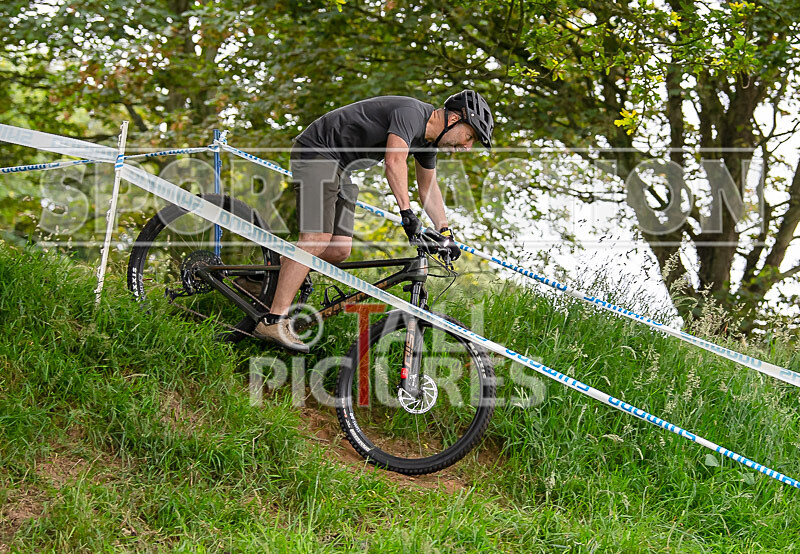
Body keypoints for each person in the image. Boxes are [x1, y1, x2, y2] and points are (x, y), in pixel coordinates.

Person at [246, 90, 494, 352]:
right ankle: (274, 320)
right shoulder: (411, 113)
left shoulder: (428, 143)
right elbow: (394, 160)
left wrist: (445, 232)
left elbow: (429, 188)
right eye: (469, 137)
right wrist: (406, 212)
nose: (467, 146)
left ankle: (263, 275)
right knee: (315, 239)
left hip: (341, 168)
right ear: (454, 119)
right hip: (317, 151)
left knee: (339, 250)